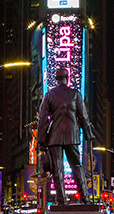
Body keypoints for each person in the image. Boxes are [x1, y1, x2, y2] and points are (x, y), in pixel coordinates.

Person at [36, 66, 93, 205]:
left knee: (57, 169)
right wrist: (88, 134)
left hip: (54, 137)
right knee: (76, 166)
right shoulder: (75, 94)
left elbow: (42, 120)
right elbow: (83, 117)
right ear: (67, 79)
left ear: (56, 79)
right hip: (72, 136)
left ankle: (61, 201)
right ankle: (85, 198)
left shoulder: (49, 95)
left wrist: (42, 140)